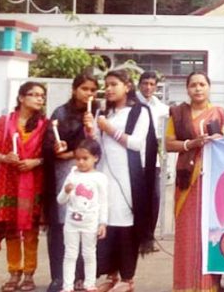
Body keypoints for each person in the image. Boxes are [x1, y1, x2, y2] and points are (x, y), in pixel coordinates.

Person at [89, 69, 159, 292]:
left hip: (128, 179)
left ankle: (127, 279)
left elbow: (137, 143)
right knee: (106, 225)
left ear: (127, 87)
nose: (108, 89)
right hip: (104, 177)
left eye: (114, 84)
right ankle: (111, 275)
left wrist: (108, 129)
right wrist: (92, 128)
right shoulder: (105, 113)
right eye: (106, 84)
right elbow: (98, 147)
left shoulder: (139, 112)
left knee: (125, 227)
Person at [167, 72, 224, 292]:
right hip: (187, 180)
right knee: (187, 232)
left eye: (202, 84)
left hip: (211, 180)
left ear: (209, 87)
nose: (198, 88)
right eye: (193, 85)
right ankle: (184, 285)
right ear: (187, 89)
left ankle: (209, 285)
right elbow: (168, 144)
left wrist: (219, 140)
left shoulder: (218, 113)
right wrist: (191, 143)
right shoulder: (178, 113)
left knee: (209, 232)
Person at [0, 81, 49, 292]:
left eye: (42, 95)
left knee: (31, 231)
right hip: (9, 181)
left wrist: (35, 162)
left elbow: (50, 155)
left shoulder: (46, 125)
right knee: (12, 229)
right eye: (33, 94)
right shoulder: (5, 122)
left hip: (35, 181)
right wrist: (5, 157)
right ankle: (14, 272)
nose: (39, 98)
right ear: (21, 98)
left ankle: (29, 274)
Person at [43, 73, 99, 292]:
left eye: (93, 90)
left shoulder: (96, 111)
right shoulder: (61, 112)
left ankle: (82, 276)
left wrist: (90, 128)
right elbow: (50, 145)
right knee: (62, 222)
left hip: (90, 174)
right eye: (84, 89)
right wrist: (60, 151)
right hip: (65, 172)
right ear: (74, 89)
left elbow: (97, 147)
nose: (89, 94)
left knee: (86, 221)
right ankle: (59, 275)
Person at [57, 138, 109, 292]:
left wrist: (103, 223)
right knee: (70, 254)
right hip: (72, 224)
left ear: (96, 158)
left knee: (89, 254)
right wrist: (66, 191)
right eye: (77, 159)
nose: (81, 162)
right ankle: (67, 286)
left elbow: (104, 202)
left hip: (90, 224)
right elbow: (60, 200)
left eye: (85, 158)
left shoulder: (100, 178)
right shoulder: (72, 175)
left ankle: (89, 284)